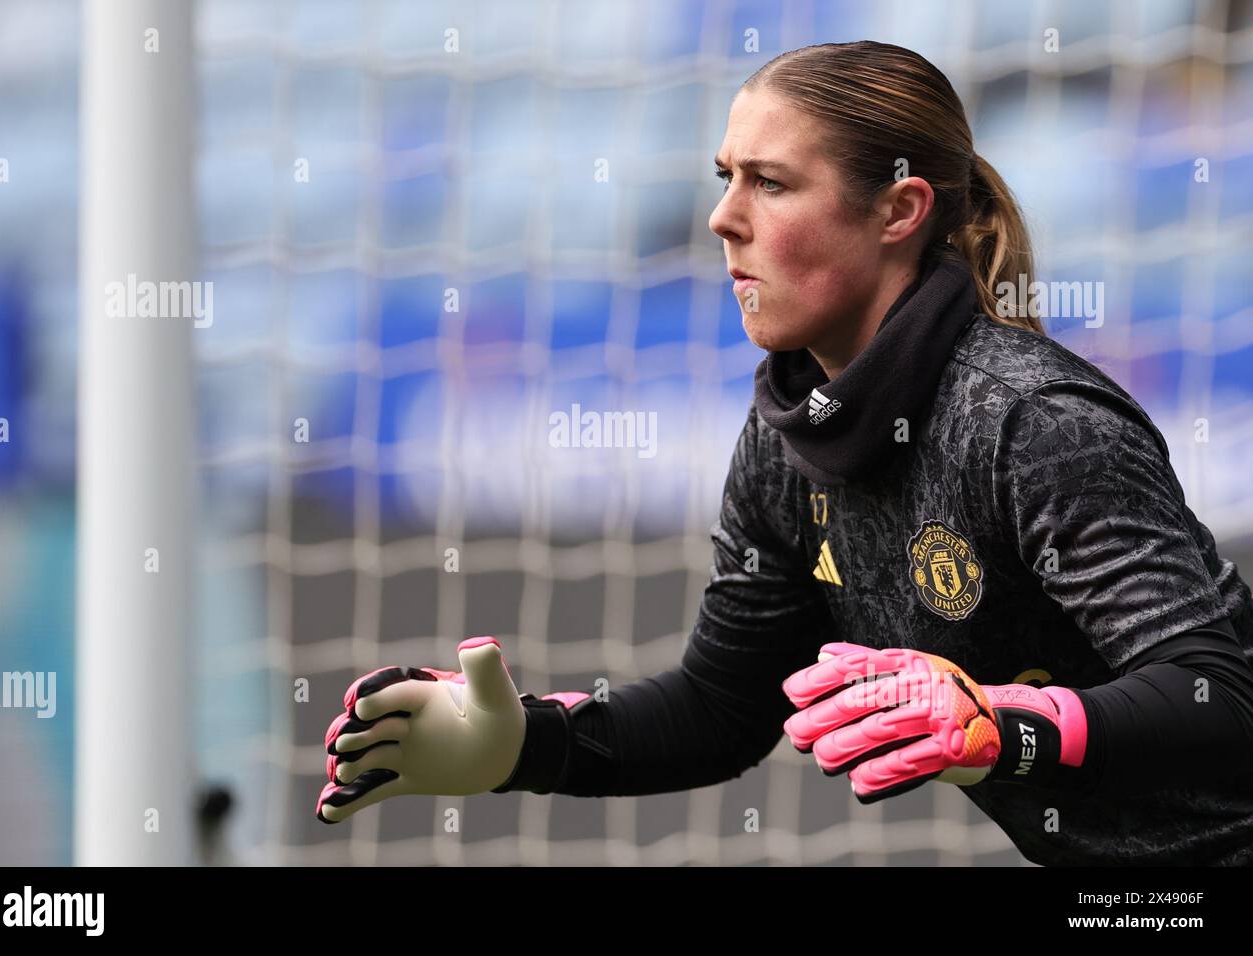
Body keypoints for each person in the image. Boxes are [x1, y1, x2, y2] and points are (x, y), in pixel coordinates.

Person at [316, 41, 1253, 866]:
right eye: (725, 178)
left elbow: (1215, 694)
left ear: (898, 211)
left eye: (769, 183)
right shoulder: (787, 439)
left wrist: (1006, 726)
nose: (725, 218)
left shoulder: (1032, 419)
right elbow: (720, 711)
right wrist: (526, 745)